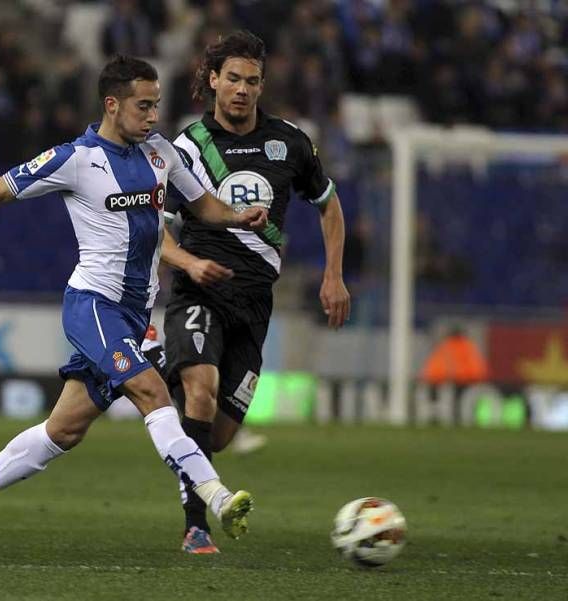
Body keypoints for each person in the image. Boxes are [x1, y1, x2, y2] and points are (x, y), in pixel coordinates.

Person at [0, 55, 268, 555]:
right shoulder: (74, 159)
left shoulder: (160, 153)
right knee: (153, 391)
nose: (154, 117)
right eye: (144, 106)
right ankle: (216, 498)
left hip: (133, 315)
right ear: (113, 105)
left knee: (64, 431)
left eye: (157, 105)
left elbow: (203, 206)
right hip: (92, 304)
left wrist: (240, 217)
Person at [160, 30, 351, 553]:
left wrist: (333, 275)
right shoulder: (187, 149)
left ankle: (161, 374)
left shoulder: (289, 141)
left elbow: (329, 206)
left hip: (254, 304)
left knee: (217, 436)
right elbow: (155, 233)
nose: (243, 90)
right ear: (213, 81)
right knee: (200, 387)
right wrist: (191, 263)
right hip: (197, 293)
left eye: (253, 81)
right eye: (234, 79)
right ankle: (195, 525)